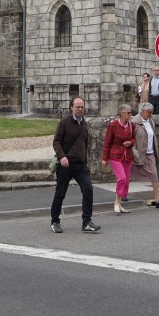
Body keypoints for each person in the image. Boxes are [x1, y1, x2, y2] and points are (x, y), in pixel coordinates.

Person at [50, 97, 100, 234]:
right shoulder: (64, 122)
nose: (80, 109)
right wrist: (62, 157)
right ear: (71, 107)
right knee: (60, 193)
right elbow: (56, 142)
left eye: (82, 107)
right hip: (66, 164)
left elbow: (85, 143)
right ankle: (55, 221)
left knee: (88, 190)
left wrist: (85, 159)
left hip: (81, 165)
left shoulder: (84, 123)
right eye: (77, 107)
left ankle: (87, 222)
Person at [131, 102, 159, 207]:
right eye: (149, 112)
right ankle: (122, 194)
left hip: (150, 153)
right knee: (129, 174)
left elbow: (152, 136)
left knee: (154, 175)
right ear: (142, 112)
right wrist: (133, 150)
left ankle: (158, 200)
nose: (151, 114)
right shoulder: (134, 122)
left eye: (152, 112)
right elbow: (130, 137)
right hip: (138, 153)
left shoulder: (151, 122)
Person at [102, 104, 136, 214]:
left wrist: (130, 142)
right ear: (122, 113)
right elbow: (107, 142)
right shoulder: (113, 125)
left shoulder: (132, 125)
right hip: (115, 155)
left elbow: (134, 139)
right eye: (128, 112)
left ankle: (119, 203)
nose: (130, 114)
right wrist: (104, 158)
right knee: (121, 178)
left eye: (131, 112)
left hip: (127, 156)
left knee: (125, 181)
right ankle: (116, 203)